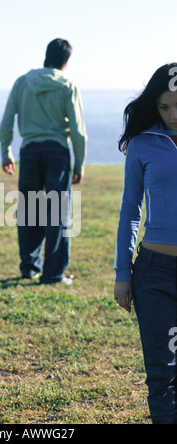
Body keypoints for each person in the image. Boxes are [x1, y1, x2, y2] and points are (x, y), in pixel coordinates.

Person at [114, 63, 177, 424]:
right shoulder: (142, 144)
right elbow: (130, 210)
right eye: (164, 107)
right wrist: (123, 272)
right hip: (154, 274)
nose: (172, 115)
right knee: (161, 373)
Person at [0, 38, 87, 285]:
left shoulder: (23, 82)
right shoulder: (68, 85)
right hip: (57, 151)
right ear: (66, 62)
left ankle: (29, 267)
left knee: (29, 210)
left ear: (45, 56)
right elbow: (78, 130)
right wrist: (79, 165)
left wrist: (6, 152)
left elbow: (7, 118)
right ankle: (53, 274)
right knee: (57, 212)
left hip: (28, 151)